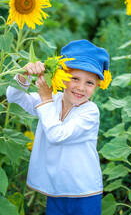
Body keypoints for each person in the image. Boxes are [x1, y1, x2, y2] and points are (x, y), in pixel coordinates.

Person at [6, 39, 110, 215]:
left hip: (84, 191)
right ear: (60, 75)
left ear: (98, 85)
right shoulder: (53, 100)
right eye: (74, 78)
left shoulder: (90, 112)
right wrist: (25, 75)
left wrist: (45, 97)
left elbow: (57, 135)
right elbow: (14, 98)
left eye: (89, 83)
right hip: (56, 188)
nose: (81, 88)